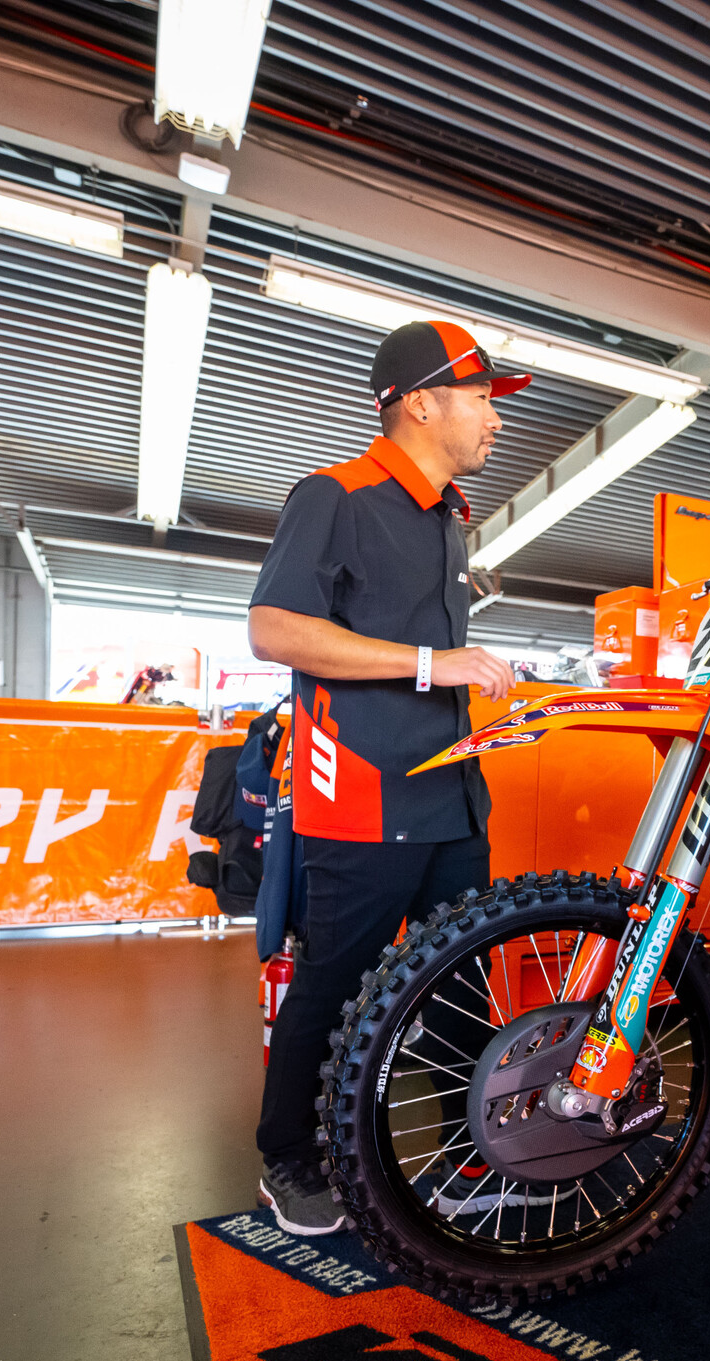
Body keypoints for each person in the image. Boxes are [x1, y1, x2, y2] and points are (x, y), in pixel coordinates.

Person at [244, 320, 529, 1234]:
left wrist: (468, 669)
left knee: (460, 984)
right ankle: (287, 1158)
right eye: (483, 397)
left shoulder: (446, 518)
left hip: (452, 794)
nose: (495, 418)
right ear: (420, 400)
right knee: (334, 983)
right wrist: (429, 663)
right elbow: (275, 630)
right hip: (362, 795)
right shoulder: (336, 495)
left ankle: (463, 1158)